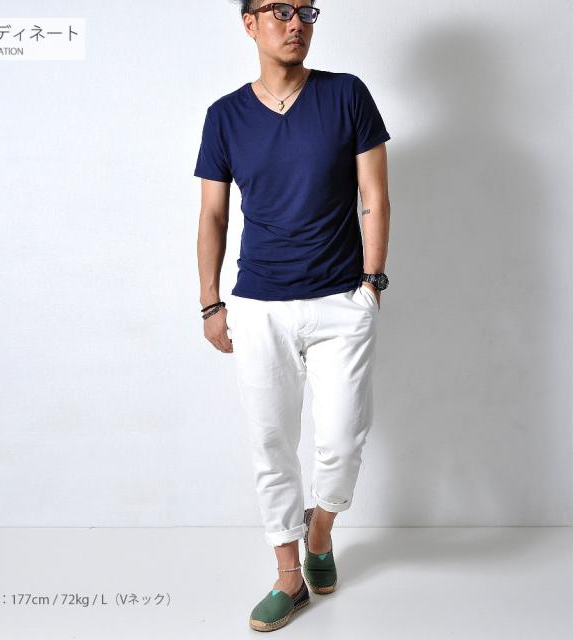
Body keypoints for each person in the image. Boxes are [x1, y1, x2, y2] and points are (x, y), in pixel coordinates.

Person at [194, 1, 391, 631]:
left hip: (341, 302)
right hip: (259, 305)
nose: (295, 22)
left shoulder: (346, 95)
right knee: (271, 441)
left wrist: (372, 283)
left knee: (342, 439)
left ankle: (321, 531)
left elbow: (375, 194)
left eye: (305, 10)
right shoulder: (225, 116)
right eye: (279, 10)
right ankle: (288, 573)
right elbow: (213, 215)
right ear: (249, 23)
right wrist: (211, 302)